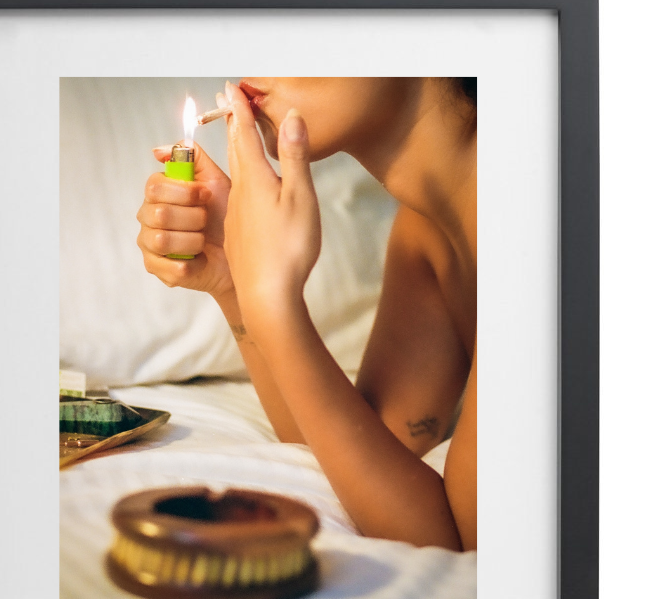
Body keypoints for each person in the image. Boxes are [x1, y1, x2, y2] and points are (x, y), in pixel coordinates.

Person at [137, 78, 476, 551]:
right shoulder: (426, 231)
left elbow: (463, 541)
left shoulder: (535, 216)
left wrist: (275, 305)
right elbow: (358, 452)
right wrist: (238, 283)